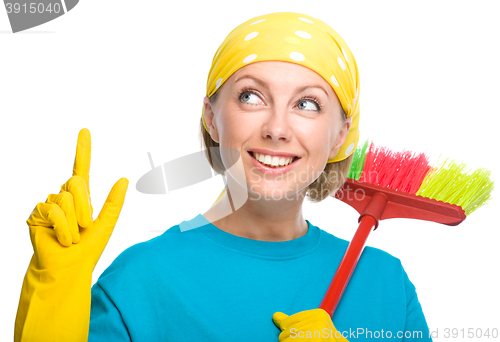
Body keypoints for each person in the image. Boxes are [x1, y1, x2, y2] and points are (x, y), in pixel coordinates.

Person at [14, 12, 432, 341]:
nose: (277, 128)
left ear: (341, 135)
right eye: (251, 96)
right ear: (212, 117)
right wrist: (53, 297)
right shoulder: (141, 281)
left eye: (307, 104)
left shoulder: (385, 283)